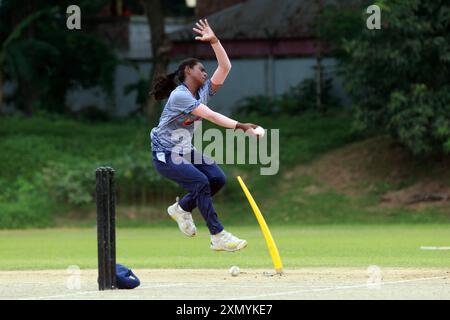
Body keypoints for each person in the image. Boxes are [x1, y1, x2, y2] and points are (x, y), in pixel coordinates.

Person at [149, 19, 261, 252]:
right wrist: (241, 126)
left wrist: (215, 41)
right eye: (201, 69)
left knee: (217, 179)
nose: (206, 72)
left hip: (185, 150)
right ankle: (218, 235)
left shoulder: (203, 91)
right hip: (165, 153)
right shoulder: (180, 96)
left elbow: (225, 67)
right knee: (200, 182)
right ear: (188, 71)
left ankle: (181, 209)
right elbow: (210, 116)